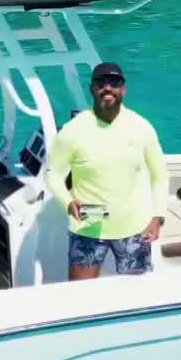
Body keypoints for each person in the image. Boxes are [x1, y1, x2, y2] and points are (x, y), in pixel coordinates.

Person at [47, 62, 167, 280]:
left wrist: (158, 217)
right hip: (87, 226)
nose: (107, 88)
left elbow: (160, 175)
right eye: (101, 83)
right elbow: (53, 174)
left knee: (138, 300)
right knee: (79, 297)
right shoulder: (72, 131)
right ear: (92, 89)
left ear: (123, 89)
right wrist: (67, 202)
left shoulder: (141, 127)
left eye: (114, 83)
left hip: (134, 228)